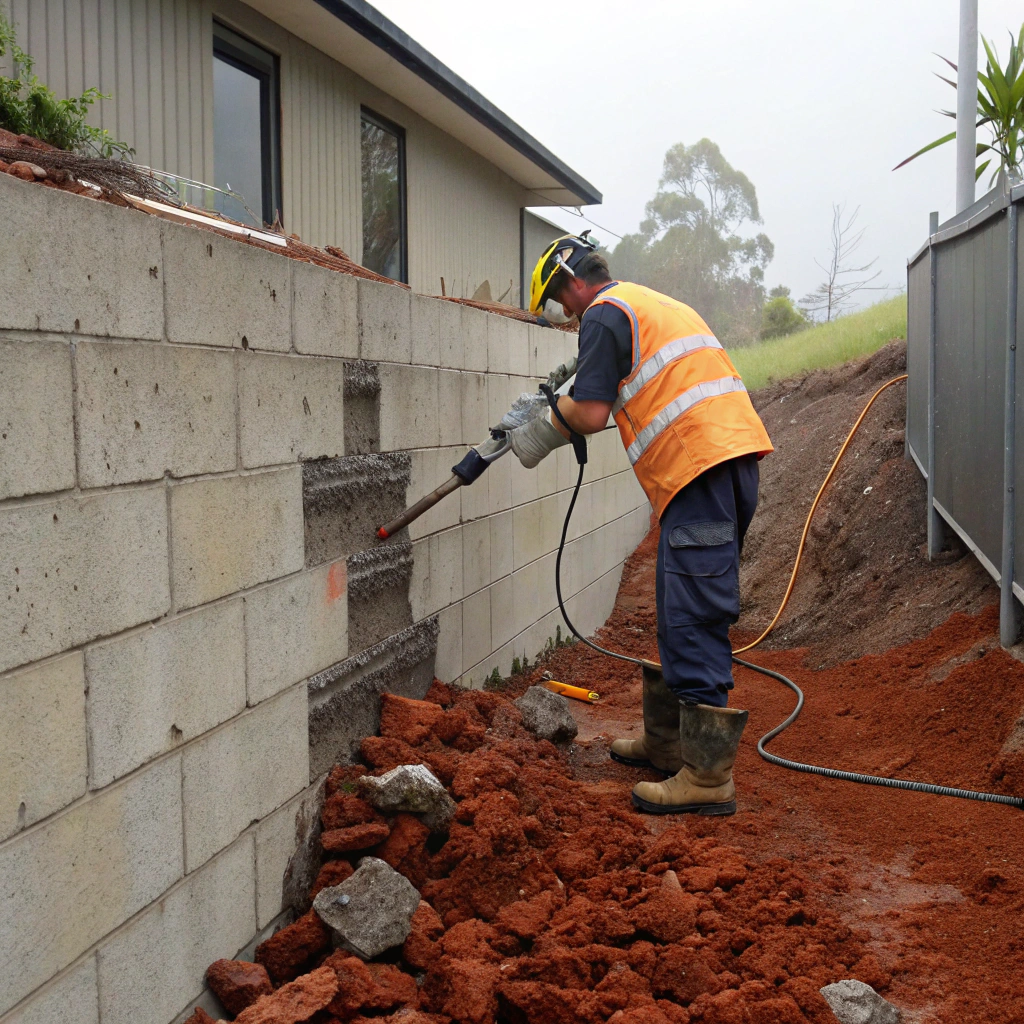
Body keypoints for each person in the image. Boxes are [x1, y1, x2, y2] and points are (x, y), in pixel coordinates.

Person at [509, 233, 773, 817]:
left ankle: (706, 779)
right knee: (676, 599)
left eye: (561, 302)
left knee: (695, 610)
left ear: (571, 283)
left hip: (701, 467)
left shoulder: (603, 315)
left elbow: (592, 412)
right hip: (723, 463)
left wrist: (542, 424)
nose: (567, 315)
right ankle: (667, 742)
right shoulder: (644, 302)